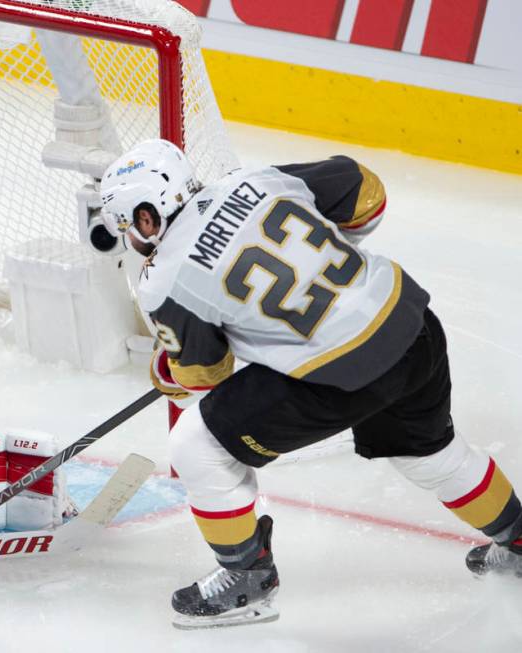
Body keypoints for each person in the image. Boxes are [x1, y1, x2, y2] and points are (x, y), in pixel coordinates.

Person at [98, 139, 522, 629]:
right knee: (429, 451)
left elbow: (204, 376)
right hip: (411, 323)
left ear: (148, 218)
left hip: (344, 375)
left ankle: (247, 580)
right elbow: (368, 193)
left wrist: (165, 370)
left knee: (196, 444)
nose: (133, 239)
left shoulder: (165, 280)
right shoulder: (255, 181)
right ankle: (516, 538)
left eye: (131, 227)